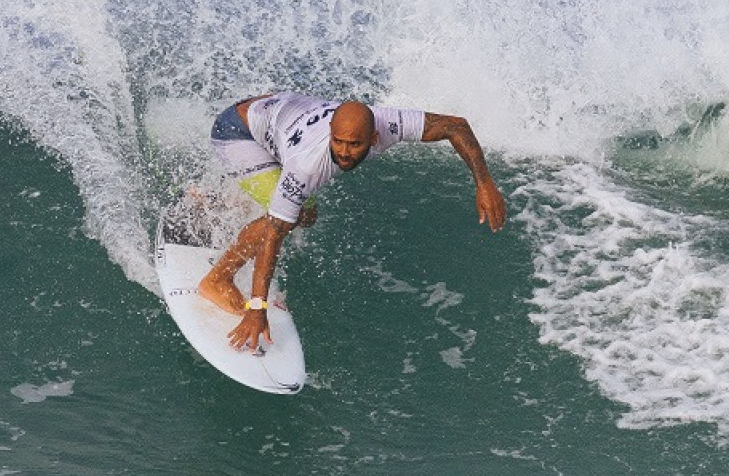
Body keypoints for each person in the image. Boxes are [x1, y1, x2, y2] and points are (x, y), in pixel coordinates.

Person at [200, 92, 506, 350]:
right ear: (331, 132)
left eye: (355, 145)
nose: (344, 153)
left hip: (274, 115)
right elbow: (274, 233)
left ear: (374, 138)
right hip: (236, 131)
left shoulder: (390, 123)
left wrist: (484, 183)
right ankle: (217, 280)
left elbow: (455, 126)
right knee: (289, 218)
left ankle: (237, 196)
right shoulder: (307, 166)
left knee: (304, 212)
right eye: (339, 142)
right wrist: (257, 307)